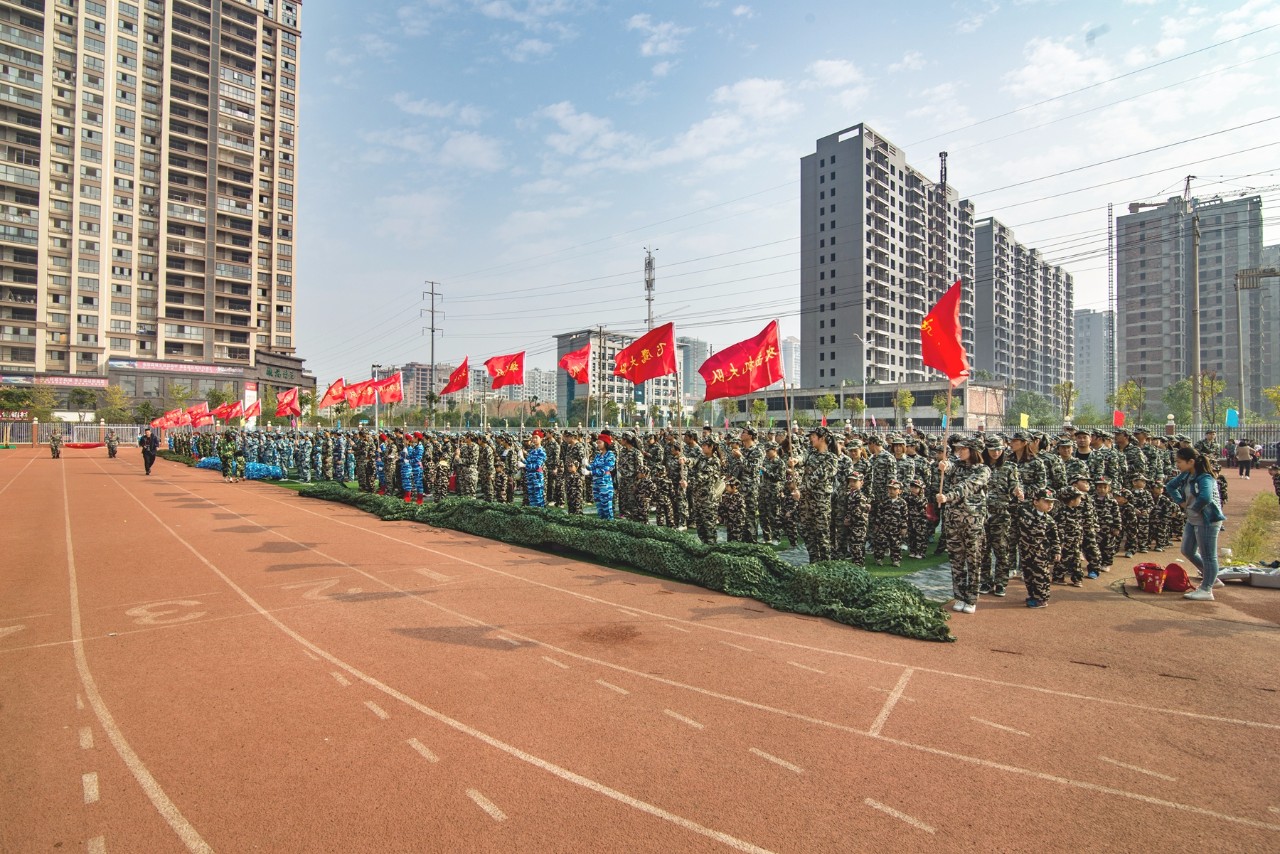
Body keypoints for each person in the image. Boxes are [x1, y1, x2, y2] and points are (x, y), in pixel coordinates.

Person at [1167, 447, 1226, 600]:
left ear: (1191, 461)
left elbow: (1206, 497)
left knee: (1208, 556)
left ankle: (1207, 589)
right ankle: (1211, 578)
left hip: (1207, 521)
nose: (1177, 465)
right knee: (1187, 550)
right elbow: (1170, 486)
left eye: (1179, 462)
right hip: (1193, 520)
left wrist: (1193, 508)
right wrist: (1180, 502)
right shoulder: (1187, 474)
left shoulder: (1205, 478)